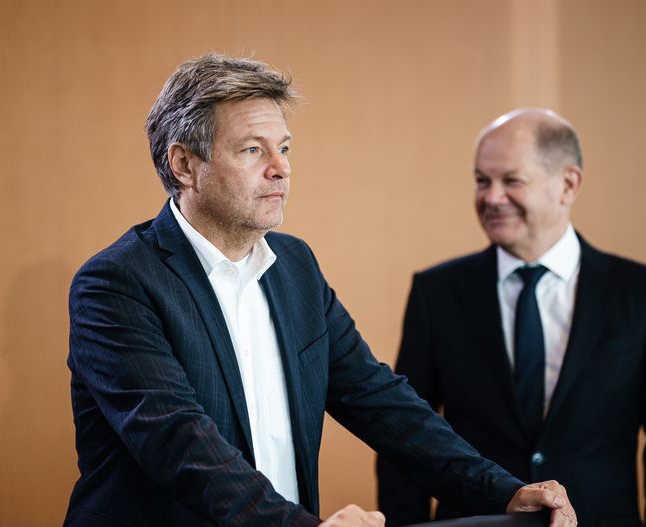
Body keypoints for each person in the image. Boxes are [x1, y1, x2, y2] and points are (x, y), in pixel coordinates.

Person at [63, 55, 577, 527]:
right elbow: (179, 442)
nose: (280, 167)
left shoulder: (295, 267)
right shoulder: (116, 283)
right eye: (252, 150)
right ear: (183, 166)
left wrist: (501, 491)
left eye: (284, 148)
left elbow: (378, 400)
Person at [376, 109, 646, 526]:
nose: (491, 197)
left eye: (511, 180)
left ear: (568, 184)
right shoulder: (437, 292)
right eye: (481, 180)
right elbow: (406, 434)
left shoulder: (643, 293)